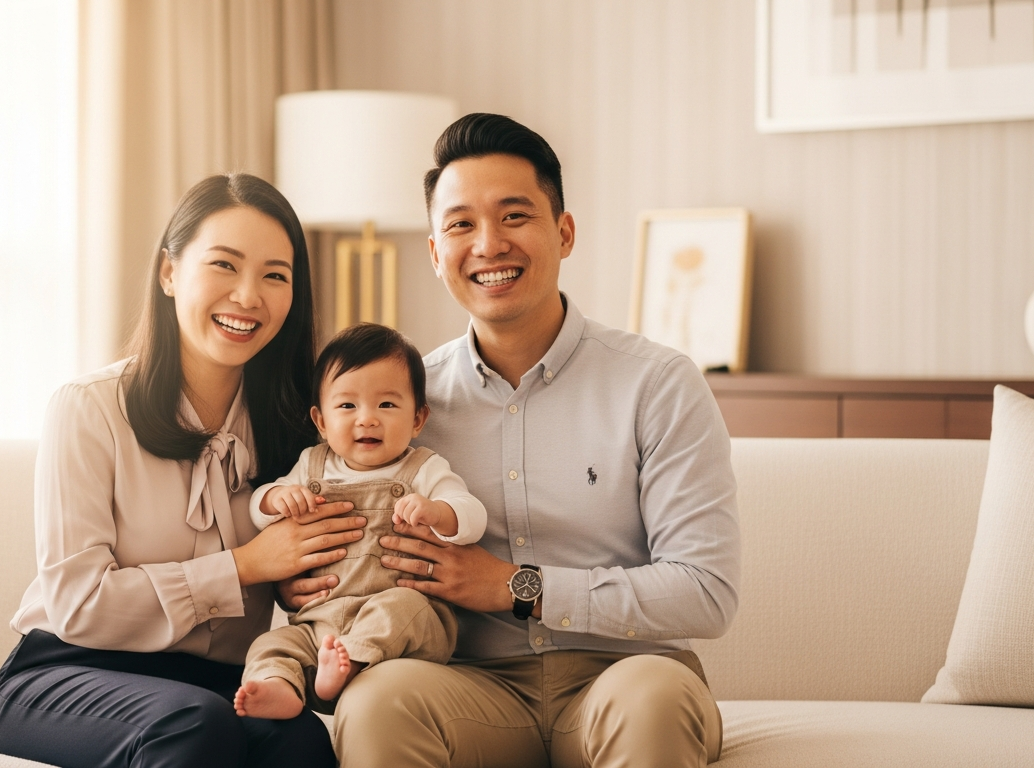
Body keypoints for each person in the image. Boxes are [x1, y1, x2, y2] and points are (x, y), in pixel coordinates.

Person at [315, 114, 743, 767]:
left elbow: (706, 592)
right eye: (461, 224)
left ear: (563, 233)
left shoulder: (657, 383)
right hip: (468, 685)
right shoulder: (405, 402)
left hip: (622, 676)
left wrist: (519, 586)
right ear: (435, 253)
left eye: (514, 216)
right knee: (376, 702)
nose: (488, 244)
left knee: (653, 697)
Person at [0, 173, 365, 768]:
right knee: (194, 724)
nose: (248, 296)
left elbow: (312, 583)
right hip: (67, 670)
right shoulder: (88, 408)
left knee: (301, 742)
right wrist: (245, 565)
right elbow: (78, 604)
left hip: (213, 683)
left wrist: (301, 585)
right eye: (224, 265)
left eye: (274, 275)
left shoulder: (298, 429)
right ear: (169, 273)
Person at [233, 323, 487, 719]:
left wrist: (438, 512)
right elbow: (258, 509)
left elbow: (472, 516)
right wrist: (277, 498)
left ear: (419, 419)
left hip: (402, 617)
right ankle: (277, 686)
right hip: (320, 623)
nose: (367, 419)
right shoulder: (311, 465)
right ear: (320, 420)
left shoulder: (423, 468)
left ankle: (348, 665)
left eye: (386, 405)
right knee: (273, 642)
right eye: (347, 406)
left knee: (404, 607)